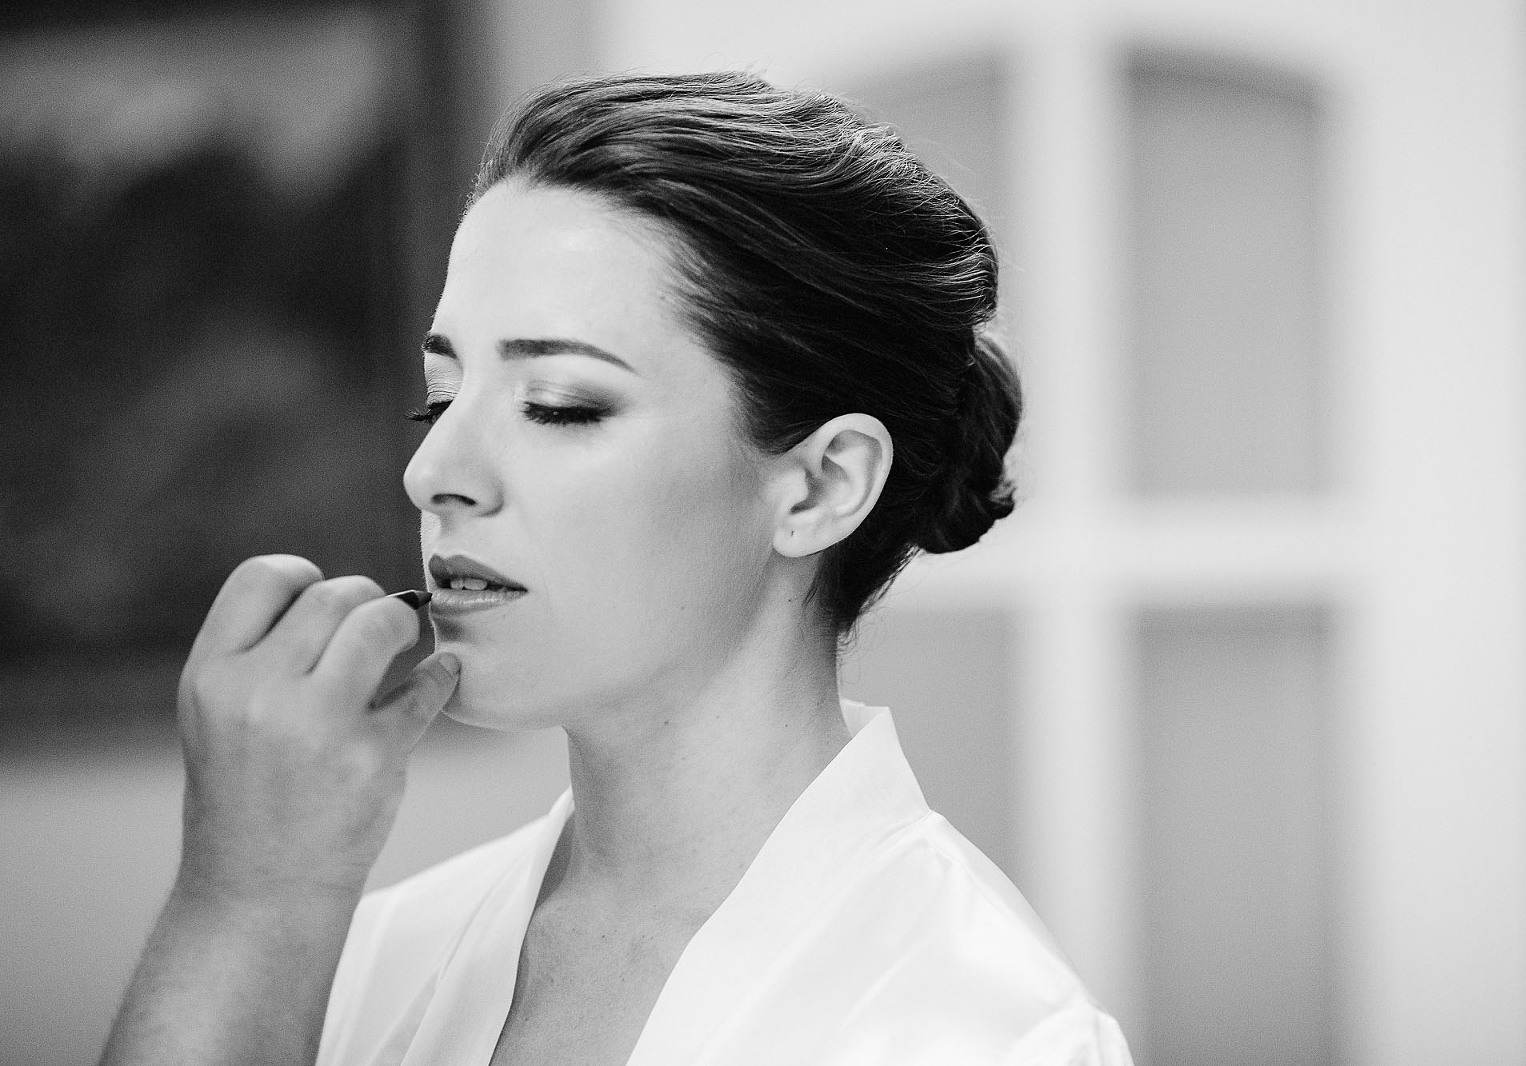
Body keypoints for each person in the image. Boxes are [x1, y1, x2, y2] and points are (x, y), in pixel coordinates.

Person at [100, 71, 1132, 1066]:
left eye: (559, 404)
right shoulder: (352, 958)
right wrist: (241, 899)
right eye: (439, 398)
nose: (430, 472)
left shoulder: (984, 1034)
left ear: (820, 485)